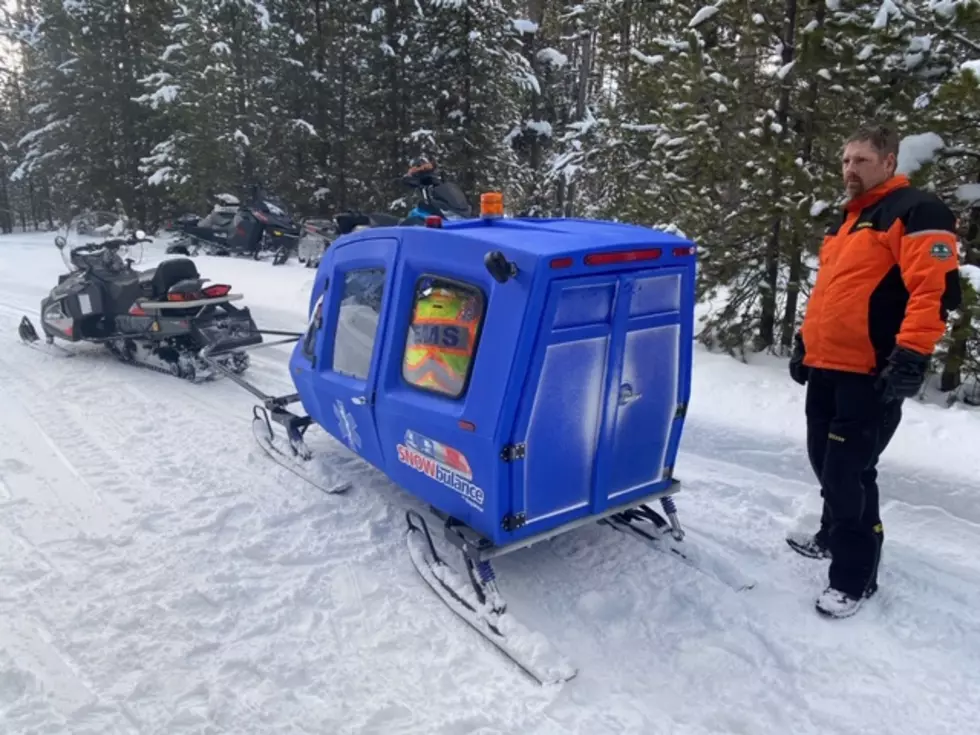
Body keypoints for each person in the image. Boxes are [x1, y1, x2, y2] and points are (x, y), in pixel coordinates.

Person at [787, 123, 962, 618]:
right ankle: (829, 534)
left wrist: (910, 354)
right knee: (825, 460)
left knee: (849, 474)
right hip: (828, 365)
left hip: (871, 370)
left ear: (889, 163)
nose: (850, 169)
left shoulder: (916, 211)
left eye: (861, 160)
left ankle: (854, 576)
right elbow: (830, 293)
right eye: (845, 160)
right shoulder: (847, 221)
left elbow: (934, 290)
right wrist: (805, 343)